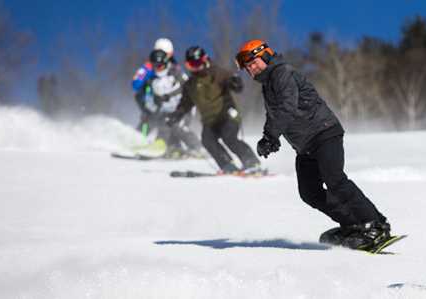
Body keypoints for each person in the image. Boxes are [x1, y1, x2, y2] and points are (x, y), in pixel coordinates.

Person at [234, 39, 391, 251]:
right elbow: (275, 113)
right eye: (247, 67)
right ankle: (352, 224)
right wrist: (269, 136)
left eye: (253, 63)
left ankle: (375, 224)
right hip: (305, 145)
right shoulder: (269, 83)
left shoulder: (282, 73)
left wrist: (271, 136)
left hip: (324, 133)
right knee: (310, 193)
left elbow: (286, 108)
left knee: (335, 180)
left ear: (265, 56)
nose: (251, 69)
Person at [168, 46, 262, 174]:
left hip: (227, 115)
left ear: (205, 60)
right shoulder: (190, 84)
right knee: (207, 140)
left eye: (198, 63)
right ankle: (227, 165)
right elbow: (185, 104)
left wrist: (235, 83)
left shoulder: (217, 73)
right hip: (210, 121)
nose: (195, 67)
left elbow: (234, 83)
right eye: (191, 64)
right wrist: (176, 115)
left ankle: (251, 162)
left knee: (229, 137)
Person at [148, 49, 202, 157]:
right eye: (156, 66)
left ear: (166, 63)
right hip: (167, 110)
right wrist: (156, 100)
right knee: (164, 125)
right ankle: (173, 147)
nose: (159, 69)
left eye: (161, 65)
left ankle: (196, 147)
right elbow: (152, 98)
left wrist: (169, 95)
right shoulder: (153, 80)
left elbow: (187, 87)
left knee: (178, 126)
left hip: (183, 108)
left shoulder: (176, 73)